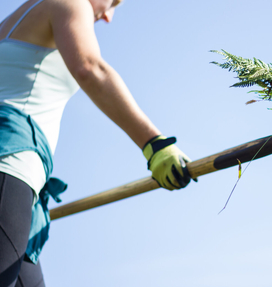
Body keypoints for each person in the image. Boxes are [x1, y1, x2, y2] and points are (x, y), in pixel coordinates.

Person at [0, 0, 194, 286]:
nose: (108, 16)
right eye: (113, 1)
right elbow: (91, 69)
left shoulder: (13, 21)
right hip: (10, 163)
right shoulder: (70, 2)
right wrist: (154, 144)